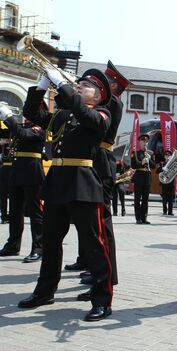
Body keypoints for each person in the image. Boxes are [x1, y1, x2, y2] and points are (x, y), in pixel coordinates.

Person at [17, 67, 114, 321]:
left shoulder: (102, 114)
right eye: (78, 84)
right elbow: (31, 114)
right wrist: (40, 86)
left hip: (83, 184)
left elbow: (86, 116)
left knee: (94, 245)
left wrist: (63, 85)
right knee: (50, 243)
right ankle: (45, 291)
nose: (80, 86)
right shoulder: (63, 115)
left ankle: (102, 299)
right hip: (57, 183)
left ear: (99, 95)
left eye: (86, 86)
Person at [67, 61, 129, 297]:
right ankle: (95, 269)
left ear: (112, 85)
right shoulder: (109, 101)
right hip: (95, 159)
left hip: (101, 161)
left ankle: (106, 276)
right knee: (93, 222)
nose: (95, 84)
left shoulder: (113, 102)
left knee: (102, 223)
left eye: (105, 81)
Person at [0, 113, 44, 262]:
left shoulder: (39, 128)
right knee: (15, 212)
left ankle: (38, 247)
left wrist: (8, 116)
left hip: (32, 172)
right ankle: (13, 245)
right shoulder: (22, 127)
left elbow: (23, 134)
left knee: (35, 212)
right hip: (17, 172)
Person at [131, 134, 154, 224]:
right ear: (139, 142)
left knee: (145, 199)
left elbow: (153, 166)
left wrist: (149, 159)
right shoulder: (135, 153)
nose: (145, 143)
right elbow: (133, 166)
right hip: (139, 177)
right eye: (143, 141)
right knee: (137, 199)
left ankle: (144, 218)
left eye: (146, 141)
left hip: (147, 177)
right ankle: (138, 218)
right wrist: (142, 162)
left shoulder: (150, 153)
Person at [157, 150, 176, 215]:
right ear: (164, 156)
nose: (167, 156)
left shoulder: (173, 163)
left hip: (171, 182)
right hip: (164, 182)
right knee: (164, 197)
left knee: (171, 198)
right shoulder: (162, 163)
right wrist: (162, 168)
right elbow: (157, 171)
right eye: (166, 155)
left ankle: (170, 211)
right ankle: (165, 210)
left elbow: (176, 173)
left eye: (169, 155)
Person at [0, 135, 11, 223]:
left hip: (15, 170)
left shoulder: (17, 142)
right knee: (3, 195)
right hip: (4, 170)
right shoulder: (3, 144)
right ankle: (4, 216)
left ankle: (12, 215)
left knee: (14, 196)